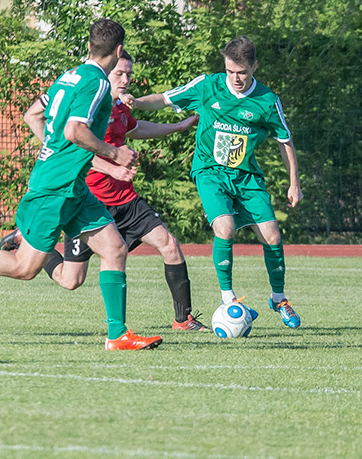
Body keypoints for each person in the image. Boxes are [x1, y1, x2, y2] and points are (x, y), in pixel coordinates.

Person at [0, 19, 162, 350]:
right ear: (118, 51)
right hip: (54, 190)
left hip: (73, 188)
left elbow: (35, 114)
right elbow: (74, 131)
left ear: (89, 46)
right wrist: (114, 152)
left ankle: (117, 335)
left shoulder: (68, 77)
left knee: (114, 249)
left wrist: (52, 150)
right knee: (23, 268)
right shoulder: (98, 84)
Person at [1, 50, 208, 331]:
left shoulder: (120, 108)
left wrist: (178, 126)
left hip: (127, 201)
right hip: (91, 204)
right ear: (105, 71)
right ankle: (28, 241)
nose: (125, 80)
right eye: (119, 73)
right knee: (70, 280)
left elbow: (135, 128)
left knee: (169, 244)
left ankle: (182, 320)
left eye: (129, 74)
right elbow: (75, 146)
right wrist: (112, 168)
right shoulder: (89, 107)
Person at [128, 35, 302, 328]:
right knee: (225, 227)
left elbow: (285, 141)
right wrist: (135, 102)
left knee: (272, 235)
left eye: (242, 72)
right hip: (210, 172)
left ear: (254, 67)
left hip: (246, 176)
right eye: (230, 71)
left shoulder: (267, 101)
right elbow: (165, 98)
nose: (235, 78)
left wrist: (293, 183)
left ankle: (278, 298)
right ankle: (228, 298)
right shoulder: (207, 86)